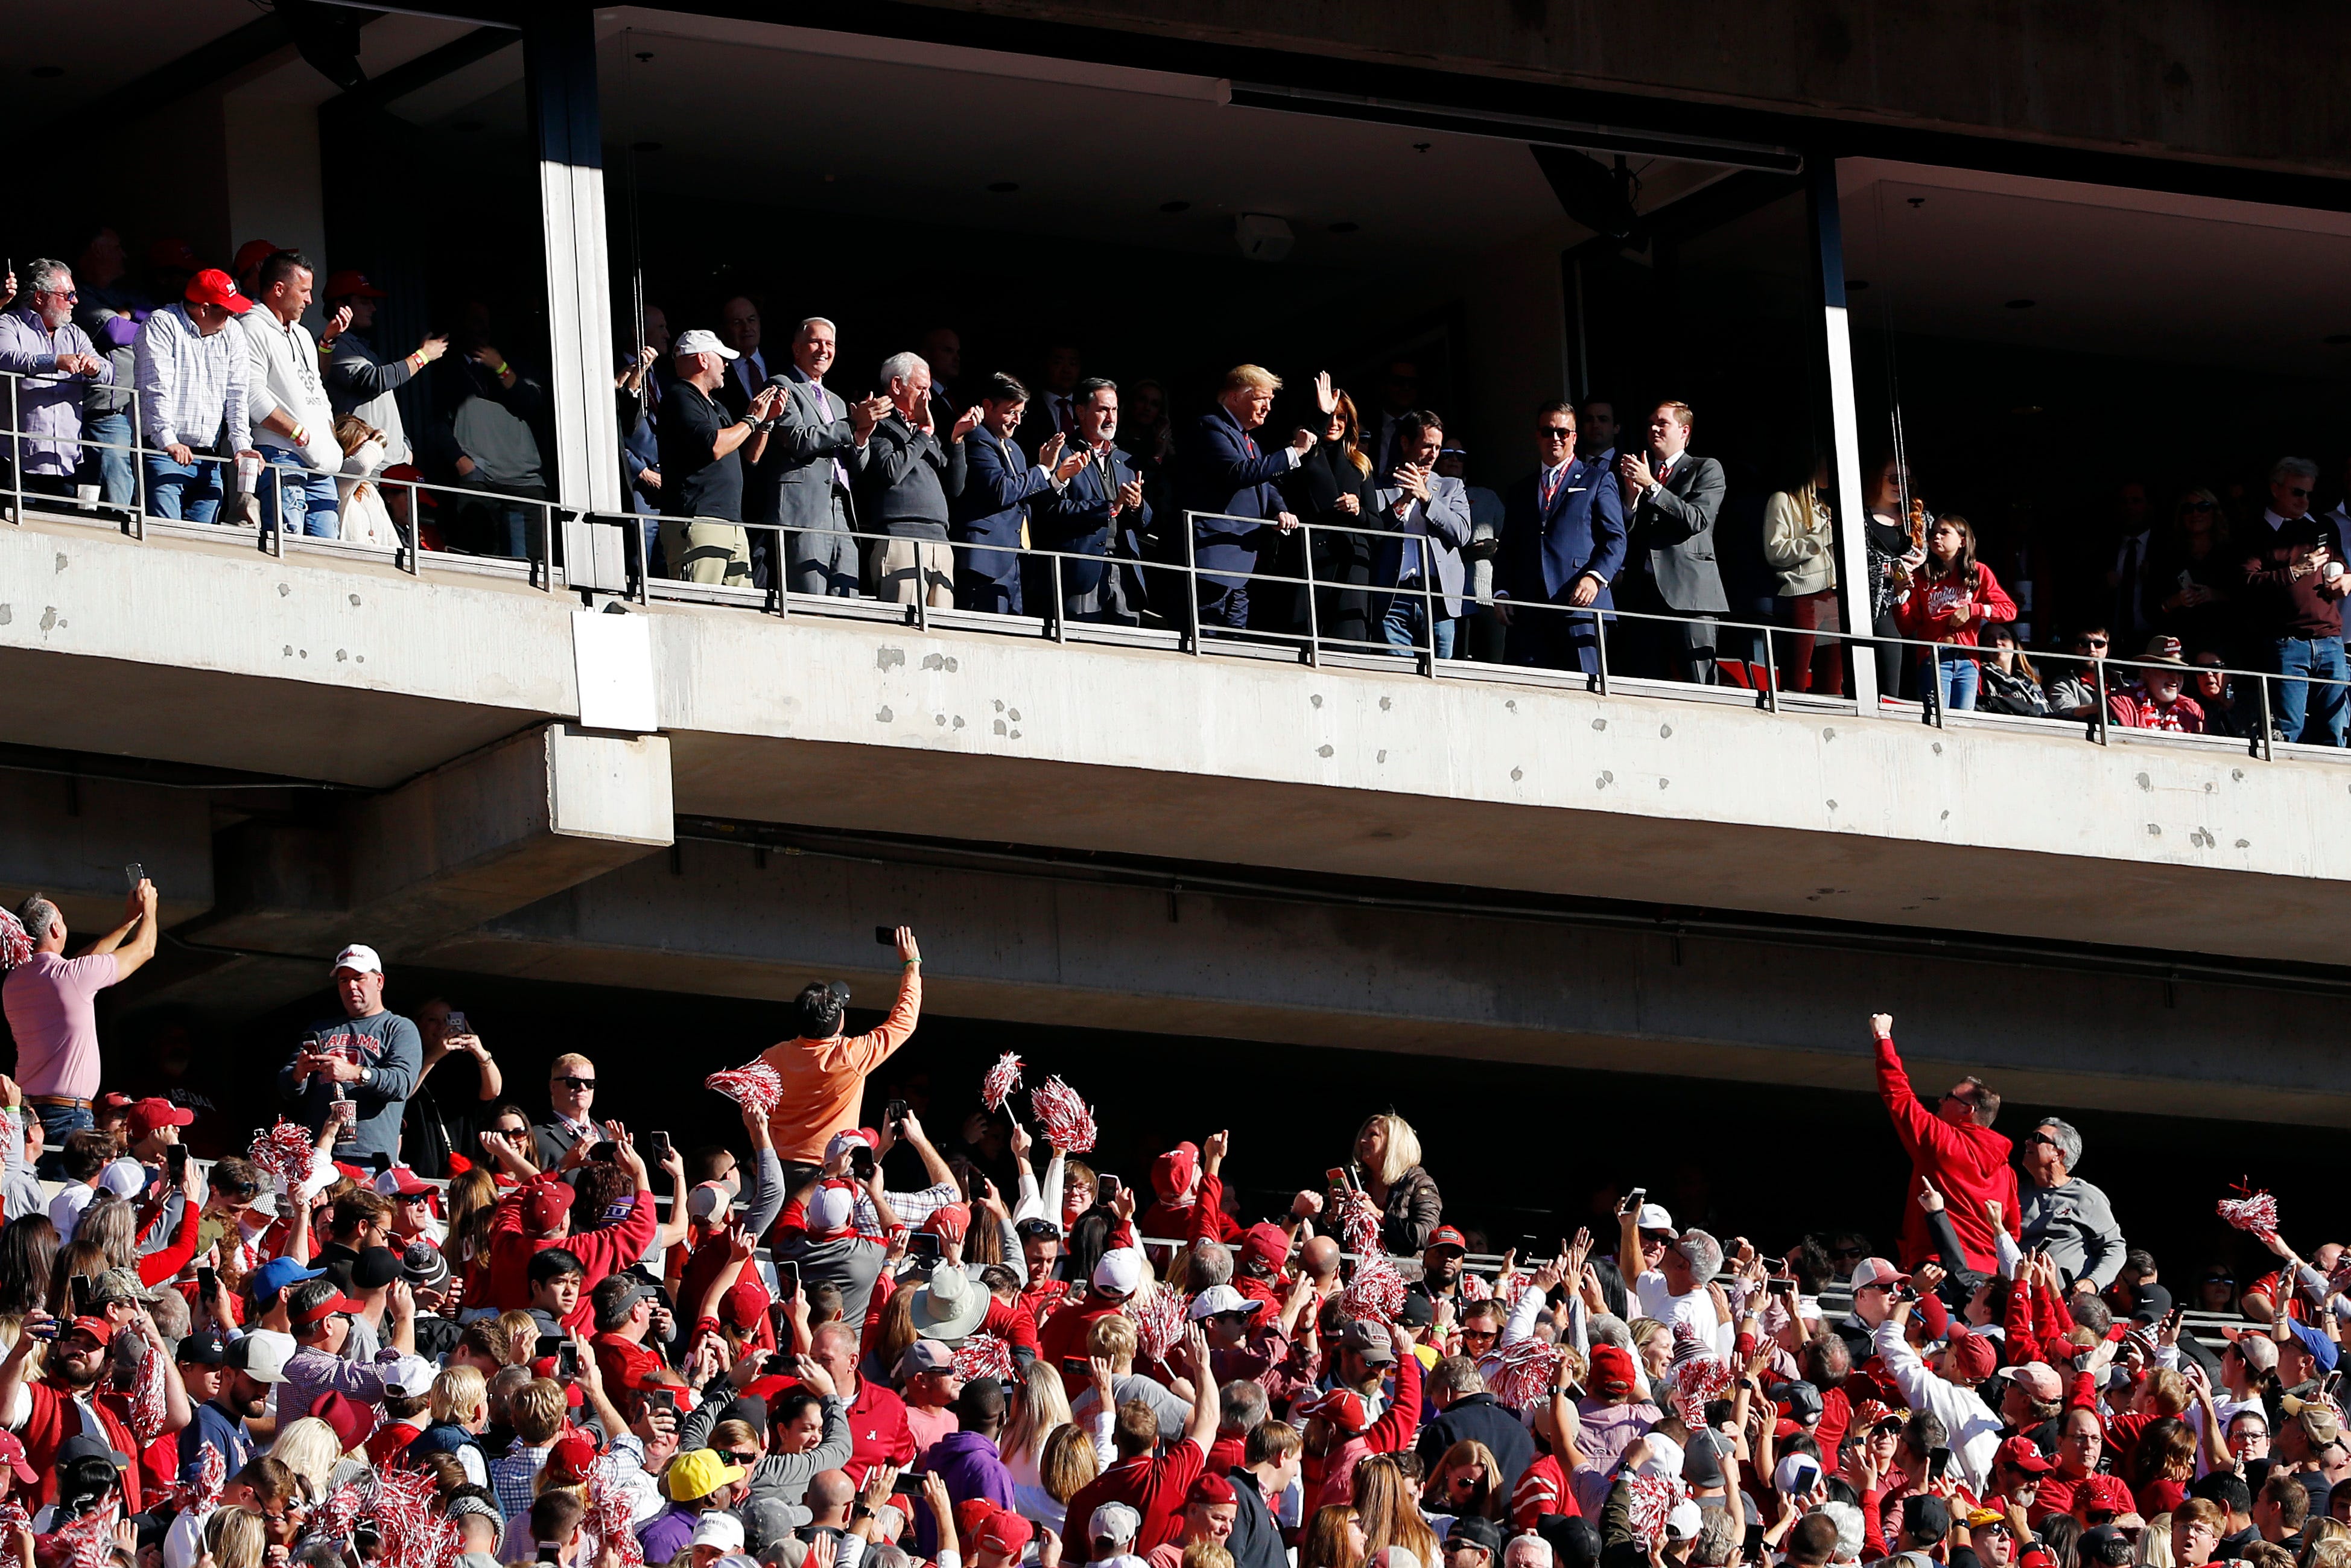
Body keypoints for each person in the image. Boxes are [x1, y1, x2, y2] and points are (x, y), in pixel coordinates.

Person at [3, 881, 157, 1173]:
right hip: (68, 1115)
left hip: (29, 1113)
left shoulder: (16, 981)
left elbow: (80, 965)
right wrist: (149, 909)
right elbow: (145, 949)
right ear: (55, 930)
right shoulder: (71, 976)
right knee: (66, 1200)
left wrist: (127, 922)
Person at [758, 926, 922, 1183]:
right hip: (827, 1173)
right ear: (841, 1022)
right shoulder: (850, 1056)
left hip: (777, 1173)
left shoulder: (772, 1057)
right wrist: (912, 966)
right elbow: (904, 1022)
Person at [1869, 1012, 2016, 1274]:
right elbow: (2011, 1231)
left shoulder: (1943, 1141)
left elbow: (1898, 1096)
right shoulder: (2007, 1173)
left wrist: (1883, 1038)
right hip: (1988, 1278)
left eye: (1949, 1097)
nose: (1940, 1101)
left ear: (1967, 1110)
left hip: (1938, 1269)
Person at [1179, 366, 1312, 634]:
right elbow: (1238, 473)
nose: (1268, 408)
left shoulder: (1249, 439)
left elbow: (1263, 483)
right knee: (1208, 640)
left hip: (1240, 566)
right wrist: (1294, 452)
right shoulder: (1212, 427)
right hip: (1213, 562)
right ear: (1235, 397)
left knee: (1235, 646)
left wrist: (1280, 510)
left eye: (1271, 401)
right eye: (1261, 399)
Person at [757, 317, 882, 599]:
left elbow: (856, 466)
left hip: (842, 510)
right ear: (797, 349)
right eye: (815, 342)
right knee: (808, 599)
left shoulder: (836, 401)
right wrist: (851, 424)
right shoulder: (781, 385)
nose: (823, 350)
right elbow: (798, 440)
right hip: (805, 509)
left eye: (830, 344)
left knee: (846, 601)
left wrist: (862, 436)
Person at [1497, 401, 1624, 675]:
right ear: (1537, 436)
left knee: (1587, 694)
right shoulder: (1521, 489)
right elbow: (1508, 547)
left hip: (1579, 604)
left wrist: (1595, 577)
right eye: (1547, 431)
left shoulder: (1598, 479)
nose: (1555, 438)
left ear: (1574, 437)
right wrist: (1502, 591)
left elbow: (1616, 539)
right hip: (1529, 609)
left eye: (1563, 433)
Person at [277, 944, 423, 1172]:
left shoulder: (399, 1028)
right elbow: (286, 1087)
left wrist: (355, 1073)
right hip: (321, 1153)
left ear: (379, 981)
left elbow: (402, 1083)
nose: (351, 986)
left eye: (359, 978)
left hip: (371, 1158)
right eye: (344, 980)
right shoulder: (321, 1030)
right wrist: (300, 1073)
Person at [953, 372, 1085, 616]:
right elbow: (1001, 491)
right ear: (988, 406)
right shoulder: (977, 439)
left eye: (1021, 413)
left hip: (1016, 562)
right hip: (986, 561)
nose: (1017, 421)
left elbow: (1025, 498)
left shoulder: (1014, 449)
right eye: (1011, 412)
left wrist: (1057, 478)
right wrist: (1043, 469)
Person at [134, 268, 261, 523]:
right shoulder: (162, 323)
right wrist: (167, 440)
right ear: (203, 309)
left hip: (209, 459)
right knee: (167, 540)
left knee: (203, 544)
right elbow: (154, 386)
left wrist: (243, 447)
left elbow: (237, 393)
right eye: (226, 309)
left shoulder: (232, 331)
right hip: (164, 453)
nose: (232, 315)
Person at [1615, 402, 1727, 682]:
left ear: (1684, 430)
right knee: (1644, 683)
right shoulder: (1639, 473)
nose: (1653, 428)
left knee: (1699, 685)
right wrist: (1630, 500)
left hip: (1688, 595)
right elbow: (1624, 534)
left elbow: (1697, 519)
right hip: (1642, 597)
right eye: (1651, 422)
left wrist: (1653, 487)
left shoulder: (1705, 468)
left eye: (1662, 423)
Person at [2238, 458, 2347, 746]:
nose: (2305, 500)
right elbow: (2245, 583)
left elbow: (2343, 569)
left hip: (2330, 639)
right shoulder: (2255, 531)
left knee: (2335, 728)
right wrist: (2295, 571)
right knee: (2288, 728)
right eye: (2298, 492)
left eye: (2310, 494)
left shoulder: (2324, 526)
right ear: (2276, 488)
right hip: (2286, 643)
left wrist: (2346, 581)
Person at [661, 326, 779, 587]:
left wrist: (765, 423)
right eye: (721, 357)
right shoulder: (681, 396)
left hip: (731, 521)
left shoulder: (718, 406)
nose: (726, 364)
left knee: (741, 608)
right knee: (701, 605)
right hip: (700, 519)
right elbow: (714, 446)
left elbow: (749, 458)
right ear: (703, 359)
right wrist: (752, 419)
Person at [236, 251, 342, 538]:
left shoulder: (305, 335)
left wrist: (329, 437)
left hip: (321, 462)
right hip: (281, 453)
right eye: (305, 291)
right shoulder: (250, 326)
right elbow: (252, 395)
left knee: (329, 549)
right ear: (279, 289)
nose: (310, 300)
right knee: (288, 543)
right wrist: (299, 434)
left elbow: (317, 390)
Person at [857, 352, 973, 608]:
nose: (928, 397)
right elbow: (890, 471)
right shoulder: (879, 424)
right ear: (897, 385)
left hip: (940, 540)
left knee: (941, 632)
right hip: (901, 538)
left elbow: (955, 488)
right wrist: (923, 434)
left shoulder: (925, 430)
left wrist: (956, 442)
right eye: (921, 388)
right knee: (903, 628)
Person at [1035, 377, 1153, 627]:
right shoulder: (1063, 453)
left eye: (1115, 410)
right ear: (1080, 411)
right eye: (1103, 410)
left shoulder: (1126, 459)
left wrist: (1136, 504)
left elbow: (1146, 520)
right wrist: (1110, 506)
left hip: (1124, 572)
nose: (1111, 417)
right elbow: (1050, 509)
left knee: (1126, 651)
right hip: (1082, 570)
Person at [0, 258, 112, 501]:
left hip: (66, 463)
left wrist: (95, 369)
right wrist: (54, 361)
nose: (75, 301)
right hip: (17, 460)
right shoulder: (10, 323)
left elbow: (108, 371)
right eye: (68, 294)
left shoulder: (75, 334)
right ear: (40, 297)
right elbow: (6, 358)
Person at [1371, 410, 1472, 660]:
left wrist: (1426, 498)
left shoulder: (1451, 486)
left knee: (1441, 676)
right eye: (1427, 446)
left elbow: (1462, 534)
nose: (1434, 454)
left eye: (1438, 447)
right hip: (1396, 596)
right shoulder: (1379, 486)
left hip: (1438, 597)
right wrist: (1403, 501)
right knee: (1399, 676)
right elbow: (1372, 535)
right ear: (1406, 442)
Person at [1893, 514, 2016, 714]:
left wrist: (1974, 610)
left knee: (1963, 724)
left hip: (1968, 661)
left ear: (1962, 541)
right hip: (1934, 660)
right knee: (1938, 720)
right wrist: (1899, 596)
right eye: (1933, 533)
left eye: (1944, 532)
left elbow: (2008, 610)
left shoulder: (1979, 573)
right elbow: (1906, 627)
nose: (1936, 538)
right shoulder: (1921, 576)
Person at [321, 270, 445, 468]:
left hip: (395, 464)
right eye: (364, 301)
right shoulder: (333, 344)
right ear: (341, 306)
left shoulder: (363, 348)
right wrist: (423, 356)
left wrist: (404, 446)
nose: (373, 308)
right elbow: (372, 381)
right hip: (367, 465)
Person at [1765, 452, 1842, 694]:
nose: (1831, 472)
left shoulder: (1823, 507)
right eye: (1826, 465)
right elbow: (1775, 550)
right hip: (1802, 597)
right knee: (1795, 679)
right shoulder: (1783, 501)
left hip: (1832, 598)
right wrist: (1817, 541)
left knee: (1832, 681)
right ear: (1811, 466)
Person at [2016, 1117, 2125, 1289]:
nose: (2028, 1142)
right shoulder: (2015, 1193)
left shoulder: (2085, 1196)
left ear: (2058, 1154)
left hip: (2066, 1306)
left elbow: (2114, 1247)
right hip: (2020, 1300)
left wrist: (2093, 1282)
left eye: (2038, 1139)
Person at [2155, 487, 2236, 660]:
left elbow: (2247, 598)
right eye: (2188, 509)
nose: (2195, 513)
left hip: (2225, 641)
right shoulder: (2170, 555)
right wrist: (2178, 600)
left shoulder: (2231, 552)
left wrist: (2214, 595)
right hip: (2180, 645)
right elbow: (2152, 607)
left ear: (2215, 512)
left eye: (2203, 507)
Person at [1345, 1113, 1440, 1255]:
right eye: (1363, 1136)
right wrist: (1332, 1215)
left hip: (1399, 1274)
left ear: (1393, 1144)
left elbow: (1426, 1235)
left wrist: (1379, 1216)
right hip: (1355, 1270)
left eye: (1372, 1135)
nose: (1362, 1141)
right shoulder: (1356, 1181)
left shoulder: (1418, 1183)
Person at [2106, 638, 2208, 733]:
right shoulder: (2122, 702)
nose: (2175, 678)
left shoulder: (2191, 709)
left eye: (2180, 671)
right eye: (2168, 669)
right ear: (2146, 671)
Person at [531, 1054, 600, 1169]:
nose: (583, 1088)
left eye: (589, 1083)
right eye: (573, 1082)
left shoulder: (609, 1136)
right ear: (553, 1086)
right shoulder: (535, 1138)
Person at [1976, 624, 2050, 717]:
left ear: (2014, 644)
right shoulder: (1980, 680)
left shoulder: (2030, 683)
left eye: (2003, 637)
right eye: (1990, 639)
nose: (1998, 642)